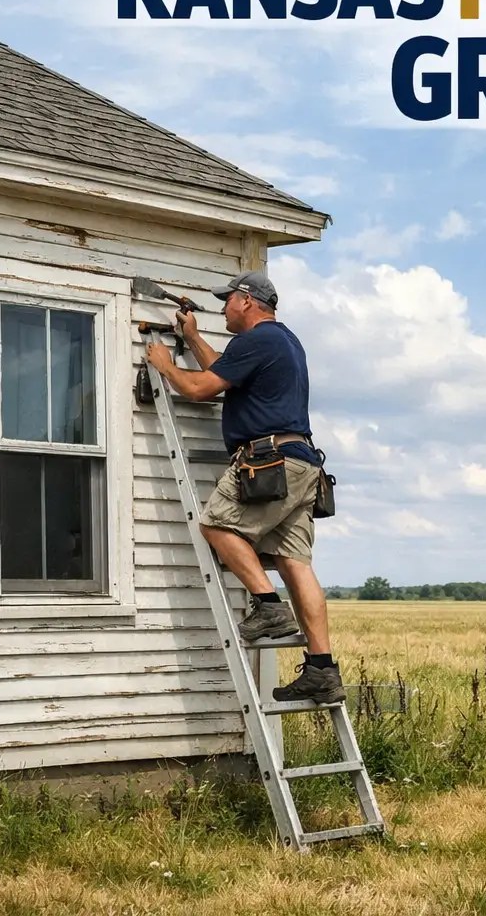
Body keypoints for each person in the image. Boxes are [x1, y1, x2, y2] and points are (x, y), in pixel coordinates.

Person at [144, 271, 343, 704]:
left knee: (216, 526)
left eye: (227, 300)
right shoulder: (283, 340)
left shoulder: (254, 341)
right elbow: (222, 371)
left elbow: (200, 388)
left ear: (248, 302)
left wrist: (165, 365)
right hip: (302, 463)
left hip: (267, 461)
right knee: (294, 562)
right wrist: (193, 338)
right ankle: (323, 670)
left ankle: (269, 607)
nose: (222, 308)